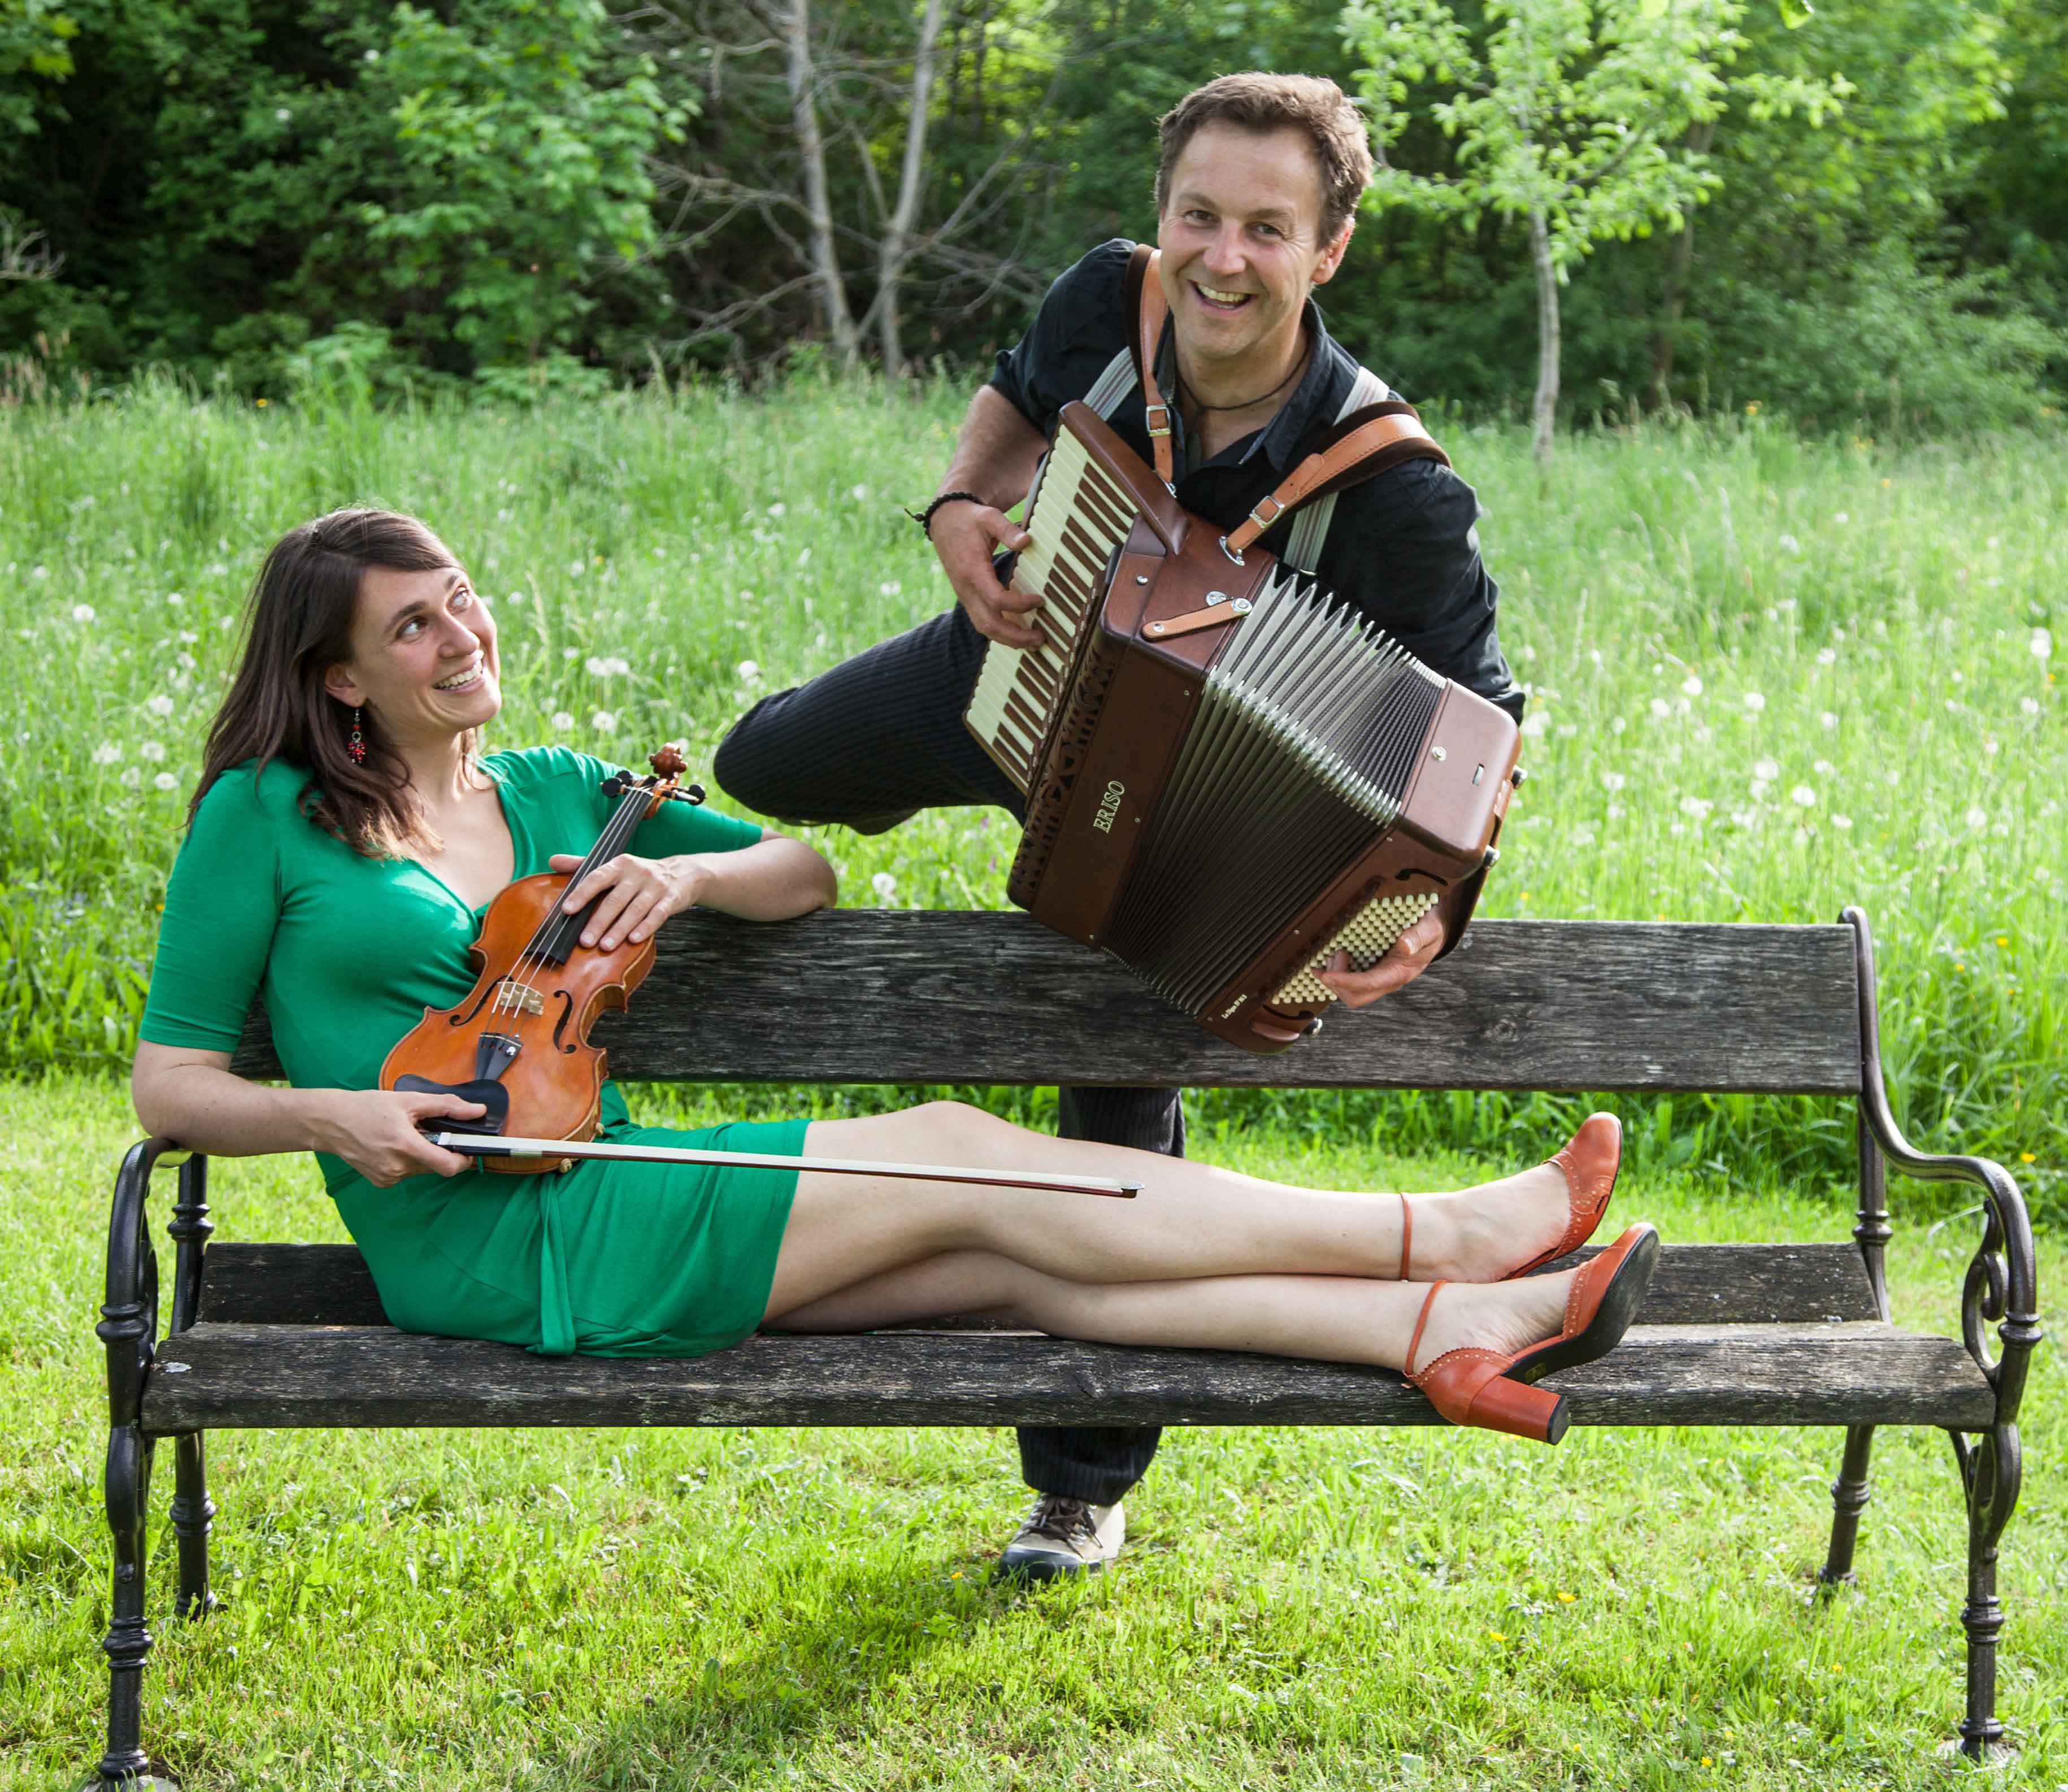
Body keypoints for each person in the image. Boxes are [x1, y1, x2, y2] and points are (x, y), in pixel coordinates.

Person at [132, 509, 1651, 1519]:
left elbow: (802, 868)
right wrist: (331, 1114)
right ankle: (1436, 1233)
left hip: (620, 1171)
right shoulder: (265, 819)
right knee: (955, 1148)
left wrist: (693, 887)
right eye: (410, 627)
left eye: (457, 596)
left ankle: (1438, 1331)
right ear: (335, 679)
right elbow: (170, 1083)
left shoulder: (558, 794)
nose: (459, 632)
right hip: (485, 1243)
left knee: (1014, 1249)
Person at [711, 72, 1524, 1577]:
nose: (1221, 257)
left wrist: (1426, 906)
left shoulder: (1394, 490)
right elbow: (1015, 408)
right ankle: (941, 778)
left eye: (1264, 230)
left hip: (1175, 824)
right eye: (1197, 216)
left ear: (1327, 249)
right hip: (1006, 673)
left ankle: (1080, 1480)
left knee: (1114, 1112)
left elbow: (1480, 727)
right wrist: (962, 509)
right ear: (1162, 215)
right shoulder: (1109, 295)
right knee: (765, 759)